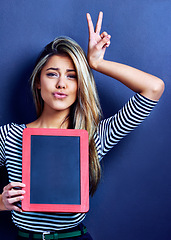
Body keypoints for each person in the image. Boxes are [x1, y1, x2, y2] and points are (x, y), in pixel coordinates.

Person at [0, 12, 164, 240]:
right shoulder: (10, 136)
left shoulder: (92, 137)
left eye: (72, 76)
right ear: (38, 82)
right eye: (52, 74)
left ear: (80, 85)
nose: (61, 84)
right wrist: (1, 202)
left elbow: (153, 88)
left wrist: (98, 63)